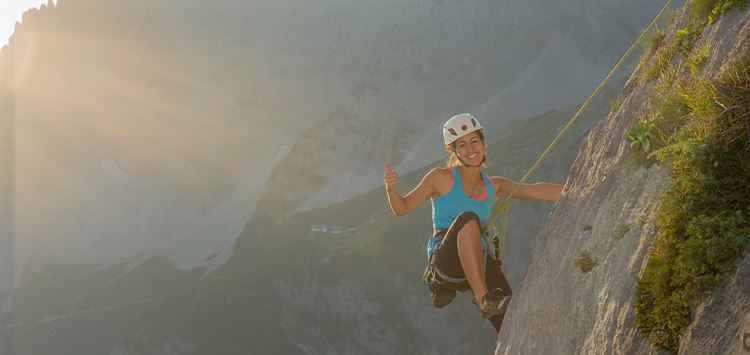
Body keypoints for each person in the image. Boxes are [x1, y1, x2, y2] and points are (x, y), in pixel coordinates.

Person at [383, 113, 563, 333]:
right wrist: (391, 189)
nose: (470, 149)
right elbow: (402, 208)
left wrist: (573, 188)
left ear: (483, 143)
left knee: (513, 321)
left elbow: (534, 190)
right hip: (446, 260)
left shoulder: (494, 186)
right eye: (462, 144)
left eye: (474, 141)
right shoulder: (440, 178)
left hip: (478, 260)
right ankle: (483, 300)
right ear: (454, 151)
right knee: (468, 219)